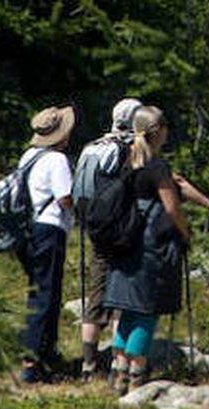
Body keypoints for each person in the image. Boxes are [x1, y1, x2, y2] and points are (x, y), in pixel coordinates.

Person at [103, 106, 190, 395]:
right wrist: (185, 233)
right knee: (145, 310)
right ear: (159, 131)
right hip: (150, 246)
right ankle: (138, 371)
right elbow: (172, 208)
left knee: (126, 308)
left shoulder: (128, 164)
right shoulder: (158, 168)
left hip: (124, 243)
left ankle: (119, 369)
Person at [73, 98, 142, 381]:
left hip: (95, 228)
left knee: (96, 295)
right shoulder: (131, 150)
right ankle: (117, 363)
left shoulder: (92, 147)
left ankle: (88, 364)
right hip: (123, 232)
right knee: (121, 299)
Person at [17, 105, 76, 383]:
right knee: (46, 295)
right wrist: (79, 214)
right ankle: (32, 363)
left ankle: (45, 352)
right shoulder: (57, 160)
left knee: (38, 292)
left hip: (28, 230)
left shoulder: (28, 157)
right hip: (49, 229)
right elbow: (65, 197)